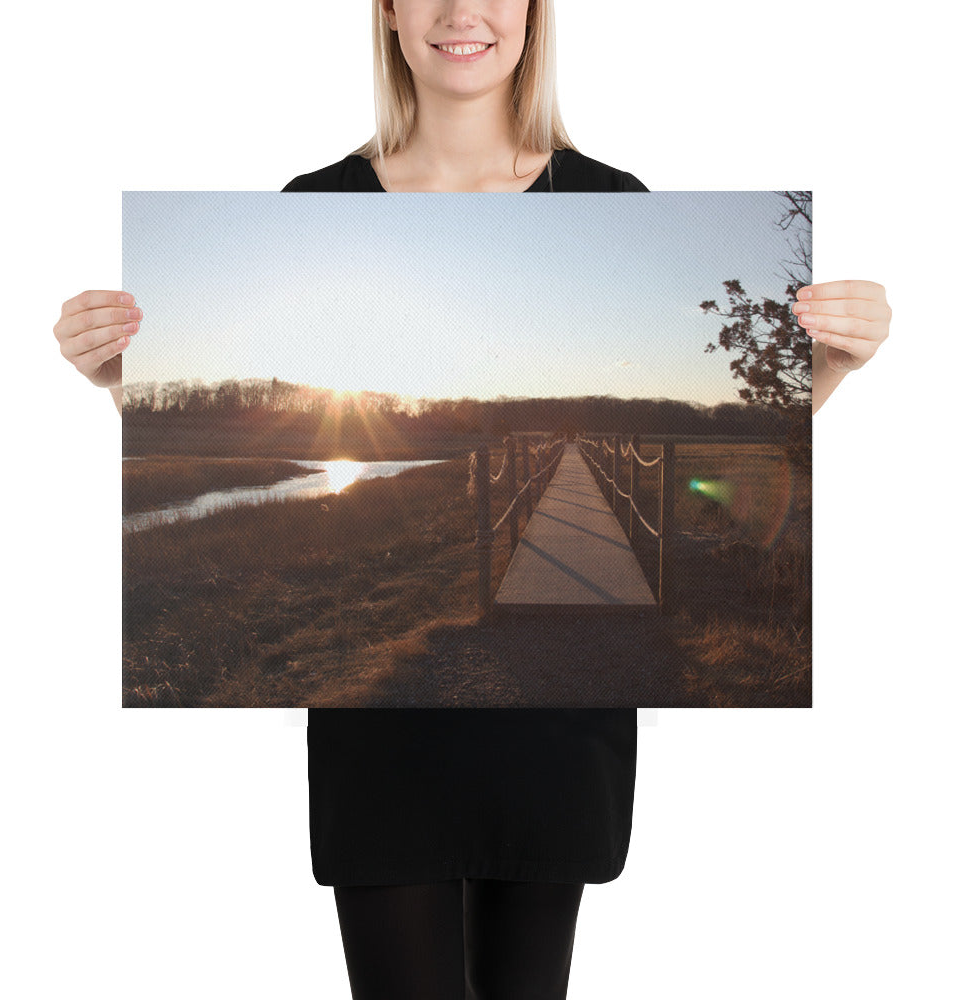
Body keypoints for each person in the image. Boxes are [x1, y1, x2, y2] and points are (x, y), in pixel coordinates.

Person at [53, 2, 890, 997]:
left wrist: (825, 372)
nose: (462, 11)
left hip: (557, 736)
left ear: (534, 16)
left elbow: (763, 442)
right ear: (390, 14)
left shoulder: (612, 199)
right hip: (384, 744)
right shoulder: (312, 202)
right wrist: (121, 385)